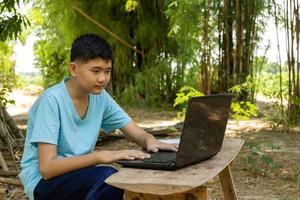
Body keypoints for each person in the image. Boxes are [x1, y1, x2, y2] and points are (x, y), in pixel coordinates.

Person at [19, 33, 178, 200]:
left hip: (79, 175)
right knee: (108, 178)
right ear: (74, 69)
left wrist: (149, 140)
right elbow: (47, 168)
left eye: (107, 71)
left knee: (115, 178)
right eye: (95, 71)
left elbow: (134, 131)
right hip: (43, 183)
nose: (103, 79)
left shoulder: (100, 97)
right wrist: (100, 156)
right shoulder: (51, 101)